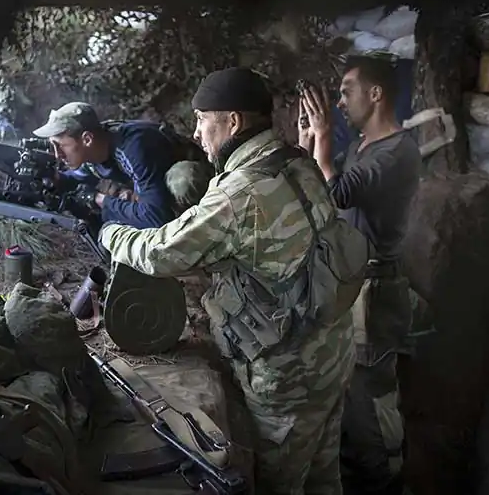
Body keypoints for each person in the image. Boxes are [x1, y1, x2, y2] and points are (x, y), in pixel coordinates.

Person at [98, 67, 370, 494]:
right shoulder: (296, 161)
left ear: (233, 122)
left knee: (282, 483)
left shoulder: (238, 192)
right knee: (324, 473)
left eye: (202, 119)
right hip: (334, 349)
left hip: (289, 375)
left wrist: (111, 232)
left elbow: (160, 253)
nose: (197, 131)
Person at [299, 55, 430, 495]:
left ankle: (390, 482)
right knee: (351, 394)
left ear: (375, 94)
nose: (339, 102)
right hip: (352, 285)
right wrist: (308, 145)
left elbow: (337, 193)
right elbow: (320, 188)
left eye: (346, 91)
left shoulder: (398, 152)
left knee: (374, 396)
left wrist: (322, 139)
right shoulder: (362, 146)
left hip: (375, 292)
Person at [33, 101, 213, 229]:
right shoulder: (95, 150)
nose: (57, 154)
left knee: (182, 180)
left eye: (60, 145)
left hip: (200, 187)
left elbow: (156, 217)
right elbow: (77, 177)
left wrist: (100, 200)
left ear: (87, 139)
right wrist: (54, 179)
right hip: (156, 192)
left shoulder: (133, 148)